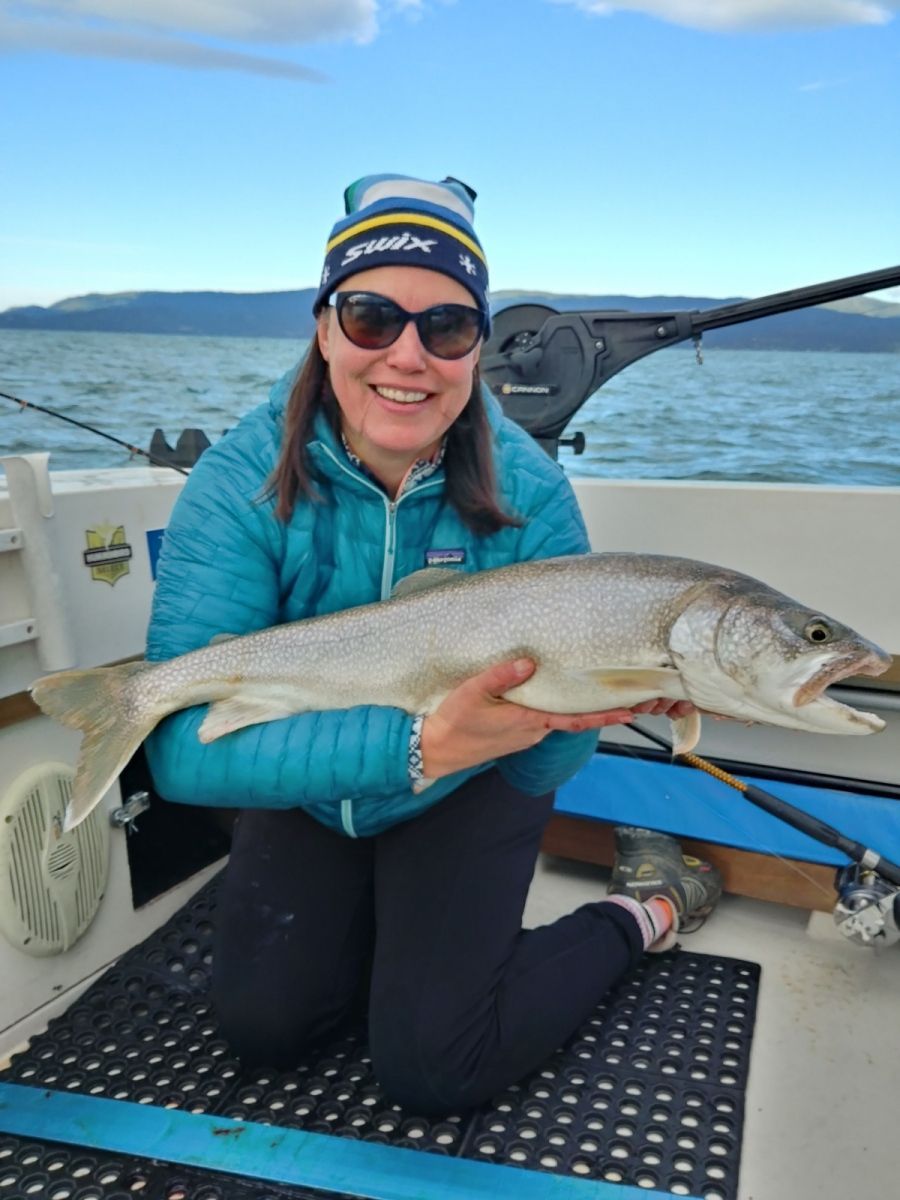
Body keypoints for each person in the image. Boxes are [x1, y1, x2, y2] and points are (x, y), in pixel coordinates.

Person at [144, 174, 721, 1115]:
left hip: (472, 785)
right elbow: (180, 755)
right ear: (325, 328)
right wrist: (412, 746)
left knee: (436, 1067)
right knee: (266, 1029)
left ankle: (644, 908)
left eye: (447, 327)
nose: (407, 356)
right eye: (372, 317)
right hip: (315, 787)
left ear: (477, 347)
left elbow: (539, 774)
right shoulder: (241, 479)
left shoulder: (530, 494)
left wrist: (572, 715)